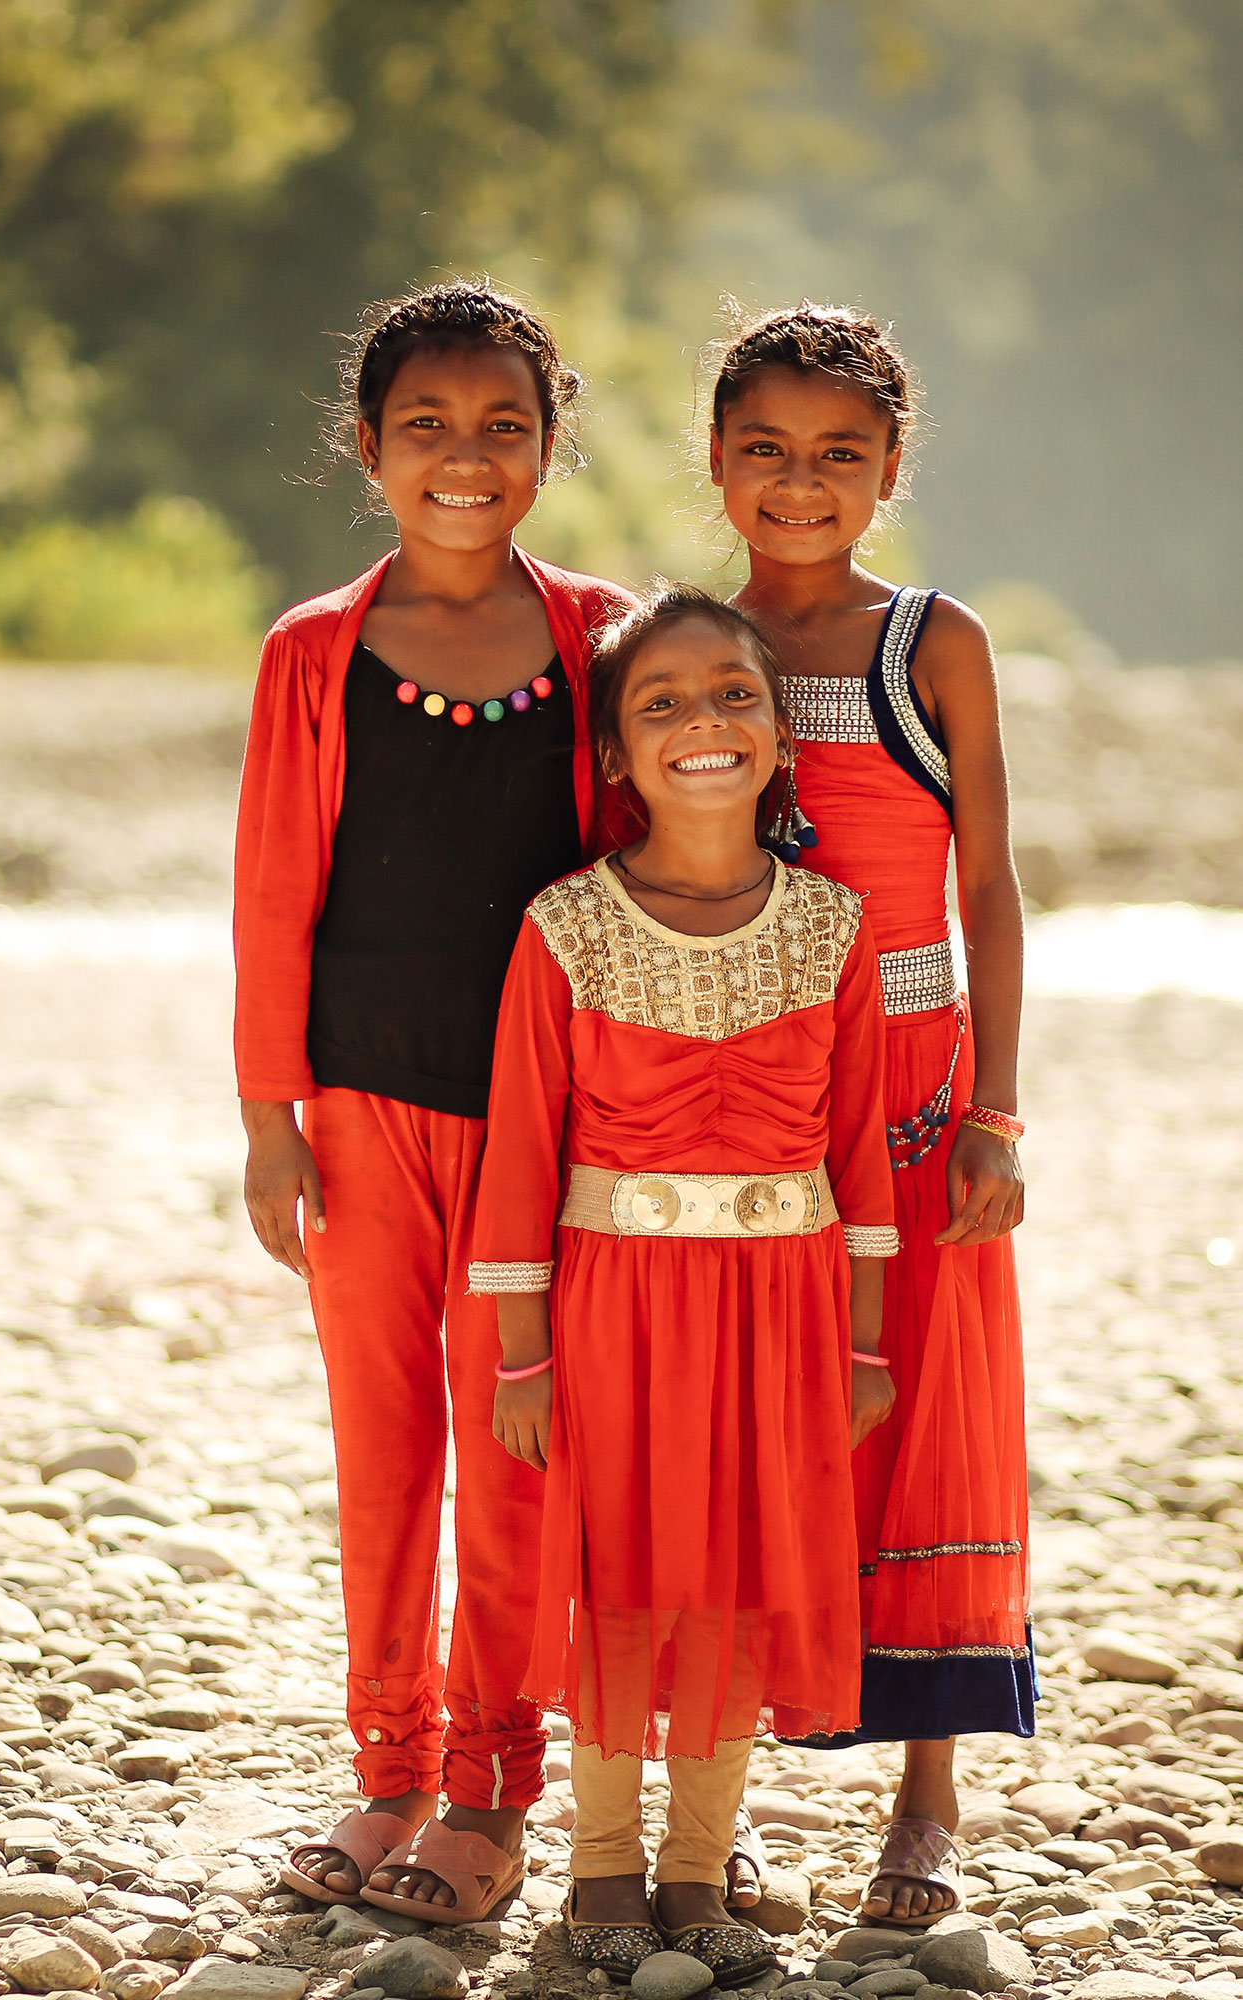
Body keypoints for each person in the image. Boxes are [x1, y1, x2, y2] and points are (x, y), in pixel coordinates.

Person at [234, 280, 636, 1920]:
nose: (464, 457)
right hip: (357, 1110)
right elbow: (274, 897)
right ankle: (391, 1767)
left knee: (516, 1443)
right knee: (386, 1445)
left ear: (549, 446)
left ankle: (492, 1783)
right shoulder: (315, 652)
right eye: (426, 428)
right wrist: (271, 1117)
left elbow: (655, 869)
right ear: (368, 448)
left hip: (546, 1127)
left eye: (502, 427)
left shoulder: (604, 637)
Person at [466, 586, 900, 1982]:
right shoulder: (565, 928)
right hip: (609, 1309)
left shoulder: (834, 930)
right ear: (611, 754)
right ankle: (601, 1864)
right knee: (619, 1575)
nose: (701, 723)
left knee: (731, 1577)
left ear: (781, 734)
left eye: (733, 696)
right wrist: (522, 1358)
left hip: (780, 1314)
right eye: (660, 702)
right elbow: (522, 1152)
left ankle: (699, 1867)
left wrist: (866, 1345)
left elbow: (860, 1160)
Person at [709, 302, 1033, 1927]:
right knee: (741, 1414)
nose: (799, 483)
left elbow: (988, 885)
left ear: (891, 470)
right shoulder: (688, 644)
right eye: (764, 450)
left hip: (913, 1087)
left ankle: (928, 1796)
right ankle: (720, 1792)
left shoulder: (935, 645)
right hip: (746, 1085)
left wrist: (1000, 1115)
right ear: (715, 462)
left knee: (922, 1404)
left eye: (839, 455)